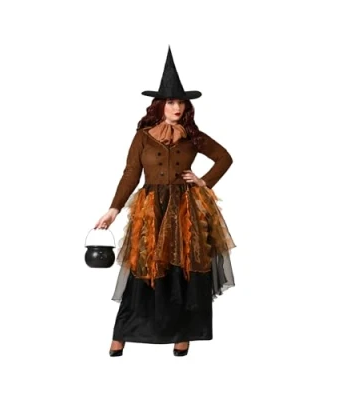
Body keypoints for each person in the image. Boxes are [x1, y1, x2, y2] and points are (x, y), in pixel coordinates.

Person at [94, 47, 236, 357]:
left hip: (186, 209)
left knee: (184, 270)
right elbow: (131, 174)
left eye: (181, 102)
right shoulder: (143, 136)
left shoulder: (193, 135)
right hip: (152, 210)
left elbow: (225, 158)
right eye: (171, 102)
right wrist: (114, 209)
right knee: (144, 268)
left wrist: (203, 181)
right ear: (160, 105)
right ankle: (122, 335)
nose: (177, 107)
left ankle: (182, 334)